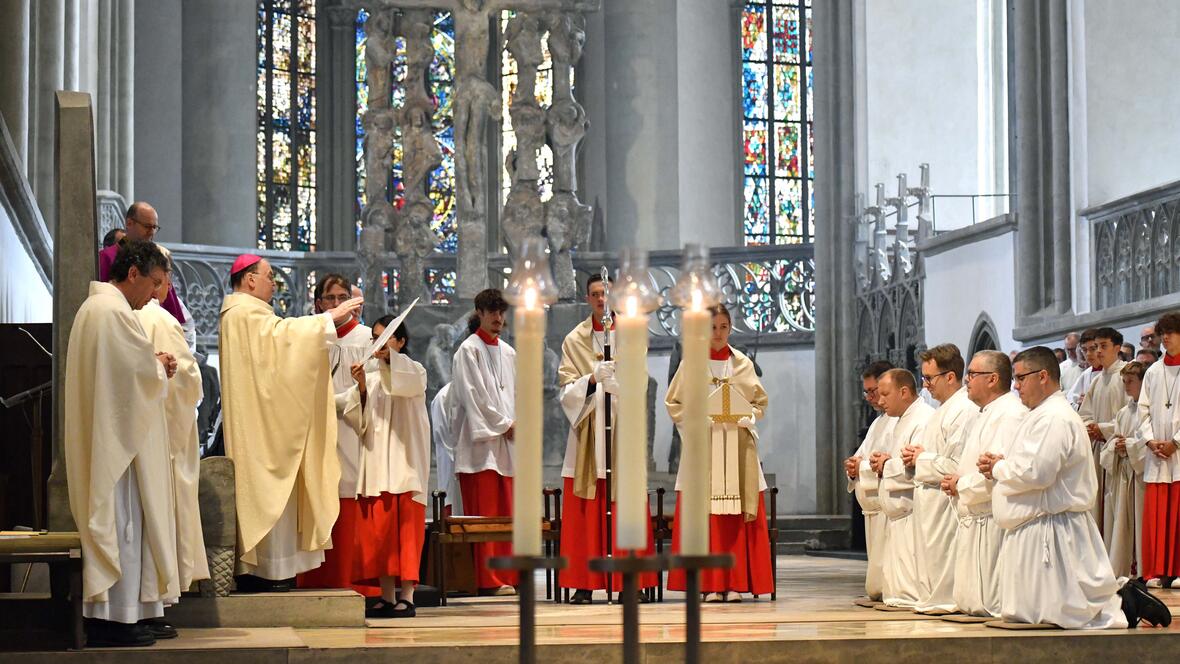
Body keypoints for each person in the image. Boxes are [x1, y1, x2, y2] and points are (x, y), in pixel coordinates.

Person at [982, 346, 1169, 629]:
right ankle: (1121, 601)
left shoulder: (1054, 417)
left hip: (1053, 526)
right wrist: (1004, 461)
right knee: (1043, 610)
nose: (1016, 386)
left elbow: (1038, 472)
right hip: (1041, 523)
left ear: (1042, 375)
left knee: (1069, 611)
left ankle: (1126, 604)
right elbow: (1032, 461)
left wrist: (997, 468)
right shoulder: (1040, 413)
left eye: (1020, 378)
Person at [219, 255, 363, 591]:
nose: (274, 283)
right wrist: (327, 319)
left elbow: (280, 346)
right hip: (262, 431)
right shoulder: (242, 313)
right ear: (250, 279)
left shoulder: (246, 315)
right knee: (271, 493)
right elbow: (284, 341)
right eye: (270, 276)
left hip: (264, 423)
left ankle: (274, 572)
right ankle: (268, 572)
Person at [64, 240, 180, 647]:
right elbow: (131, 376)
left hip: (115, 439)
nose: (153, 295)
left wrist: (150, 366)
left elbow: (122, 371)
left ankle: (131, 612)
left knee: (126, 529)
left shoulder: (99, 310)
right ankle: (112, 620)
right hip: (116, 448)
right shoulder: (111, 312)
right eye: (152, 284)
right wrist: (159, 367)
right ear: (133, 274)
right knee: (122, 528)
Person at [559, 275, 658, 603]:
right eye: (596, 294)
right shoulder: (575, 340)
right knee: (588, 508)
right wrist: (589, 380)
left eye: (606, 293)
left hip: (622, 429)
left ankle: (633, 580)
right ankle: (584, 583)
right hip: (589, 433)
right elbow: (565, 389)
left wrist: (622, 386)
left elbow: (641, 380)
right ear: (588, 298)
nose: (602, 299)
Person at [666, 304, 772, 602]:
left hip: (738, 447)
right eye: (712, 327)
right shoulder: (691, 364)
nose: (718, 333)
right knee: (706, 516)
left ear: (730, 328)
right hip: (704, 448)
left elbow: (760, 403)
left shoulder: (743, 364)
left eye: (724, 327)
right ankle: (709, 584)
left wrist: (748, 416)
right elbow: (674, 404)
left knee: (735, 517)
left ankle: (737, 582)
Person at [327, 315, 430, 618]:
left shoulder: (414, 371)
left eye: (386, 339)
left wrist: (387, 363)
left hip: (404, 468)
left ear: (400, 342)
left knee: (405, 535)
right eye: (374, 338)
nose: (378, 344)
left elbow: (404, 383)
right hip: (375, 467)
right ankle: (387, 596)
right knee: (378, 535)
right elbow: (352, 414)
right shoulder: (369, 377)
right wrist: (359, 387)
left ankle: (408, 597)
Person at [134, 247, 210, 598]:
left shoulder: (128, 315)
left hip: (142, 428)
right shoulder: (162, 319)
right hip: (167, 433)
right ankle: (164, 594)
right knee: (169, 509)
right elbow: (187, 376)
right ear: (160, 279)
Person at [941, 350, 1027, 617]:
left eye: (972, 374)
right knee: (975, 603)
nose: (967, 380)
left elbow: (997, 471)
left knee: (991, 602)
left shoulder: (1010, 414)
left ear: (992, 379)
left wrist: (962, 485)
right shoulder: (986, 412)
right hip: (976, 515)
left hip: (991, 517)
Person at [450, 288, 517, 594]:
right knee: (485, 515)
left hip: (506, 444)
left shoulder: (509, 352)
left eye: (502, 312)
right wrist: (504, 424)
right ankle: (487, 579)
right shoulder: (468, 350)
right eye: (492, 312)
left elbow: (514, 394)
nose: (498, 318)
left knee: (506, 513)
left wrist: (516, 424)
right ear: (479, 312)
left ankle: (509, 574)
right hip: (481, 446)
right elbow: (471, 395)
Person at [909, 344, 978, 613]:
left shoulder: (963, 409)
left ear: (950, 377)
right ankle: (934, 599)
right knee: (931, 558)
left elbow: (955, 465)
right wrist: (920, 456)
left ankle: (946, 599)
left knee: (944, 556)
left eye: (929, 378)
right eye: (923, 378)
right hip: (930, 499)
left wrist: (920, 458)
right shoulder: (943, 409)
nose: (925, 385)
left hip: (945, 499)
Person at [872, 369, 935, 608]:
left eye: (885, 394)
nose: (880, 401)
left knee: (911, 586)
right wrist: (882, 462)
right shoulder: (901, 420)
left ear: (904, 392)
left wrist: (886, 464)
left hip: (911, 512)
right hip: (897, 514)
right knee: (898, 591)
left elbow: (918, 467)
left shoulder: (923, 419)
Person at [844, 360, 896, 601]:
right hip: (874, 509)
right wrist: (854, 466)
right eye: (866, 392)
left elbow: (890, 463)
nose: (869, 397)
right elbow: (864, 456)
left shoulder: (899, 419)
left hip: (890, 506)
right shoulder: (878, 421)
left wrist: (863, 466)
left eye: (873, 391)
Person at [1136, 311, 1180, 589]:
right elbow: (1142, 410)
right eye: (1162, 333)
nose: (1165, 338)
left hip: (1178, 451)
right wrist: (1151, 440)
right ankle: (1158, 569)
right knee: (1158, 513)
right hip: (1158, 453)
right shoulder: (1153, 371)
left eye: (1172, 332)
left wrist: (1176, 441)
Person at [98, 202, 188, 330]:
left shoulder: (157, 258)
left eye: (154, 227)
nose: (151, 232)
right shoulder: (106, 257)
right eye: (147, 226)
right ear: (129, 223)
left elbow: (170, 307)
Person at [1079, 327, 1130, 533]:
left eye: (1103, 346)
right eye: (1096, 347)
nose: (1098, 351)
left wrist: (1104, 429)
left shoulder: (1127, 374)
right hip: (1098, 448)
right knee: (1098, 506)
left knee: (1114, 508)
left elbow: (1131, 414)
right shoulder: (1097, 380)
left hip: (1118, 451)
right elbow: (1084, 414)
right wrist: (1090, 427)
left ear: (1117, 347)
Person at [1100, 361, 1148, 579]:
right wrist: (1116, 446)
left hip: (1141, 476)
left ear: (1142, 382)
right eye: (1124, 381)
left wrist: (1128, 445)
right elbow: (1113, 441)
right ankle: (1124, 568)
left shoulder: (1149, 410)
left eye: (1131, 381)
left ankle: (1144, 568)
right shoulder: (1122, 413)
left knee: (1141, 522)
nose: (1126, 386)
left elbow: (1148, 441)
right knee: (1122, 523)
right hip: (1123, 474)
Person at [1065, 329, 1101, 409]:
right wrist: (1080, 404)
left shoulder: (1118, 371)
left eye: (1092, 349)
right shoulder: (1086, 375)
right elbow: (1069, 402)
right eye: (1084, 350)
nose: (1088, 354)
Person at [1060, 332, 1084, 397]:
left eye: (1073, 349)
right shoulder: (1061, 367)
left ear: (1080, 346)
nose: (1070, 353)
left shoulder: (1088, 364)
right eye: (1068, 350)